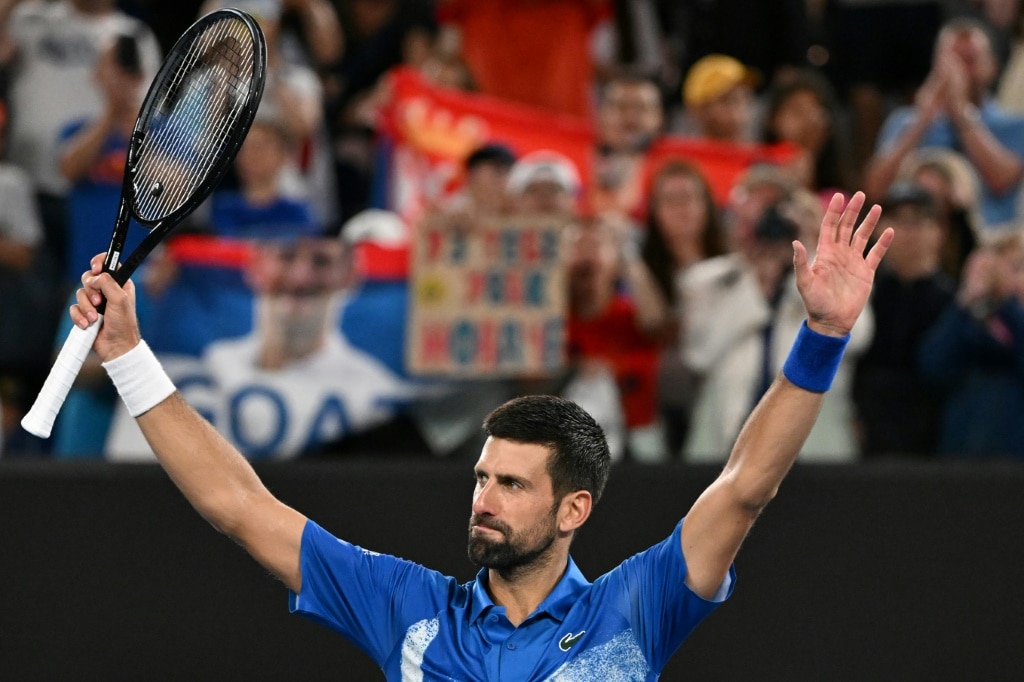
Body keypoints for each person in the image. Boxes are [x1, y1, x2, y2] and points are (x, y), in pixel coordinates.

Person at [67, 190, 892, 677]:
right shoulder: (410, 609)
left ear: (574, 509)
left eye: (512, 484)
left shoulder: (635, 609)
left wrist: (820, 337)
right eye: (482, 479)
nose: (484, 499)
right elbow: (239, 507)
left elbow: (745, 485)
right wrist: (132, 355)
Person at [865, 16, 1024, 230]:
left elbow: (1002, 180)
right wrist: (922, 119)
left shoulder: (1013, 123)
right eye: (951, 61)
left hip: (989, 239)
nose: (958, 73)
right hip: (915, 235)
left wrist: (961, 113)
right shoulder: (904, 121)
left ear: (992, 67)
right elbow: (875, 187)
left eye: (968, 61)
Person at [852, 181, 956, 458]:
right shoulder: (863, 292)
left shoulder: (953, 301)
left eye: (918, 221)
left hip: (930, 442)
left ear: (939, 232)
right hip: (866, 436)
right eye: (897, 220)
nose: (907, 232)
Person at [919, 228, 1024, 459]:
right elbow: (933, 365)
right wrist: (964, 300)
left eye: (1016, 267)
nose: (1004, 277)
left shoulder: (1015, 318)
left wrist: (1009, 304)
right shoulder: (968, 320)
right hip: (963, 457)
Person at [679, 54, 758, 145]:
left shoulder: (763, 156)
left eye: (745, 97)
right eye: (728, 100)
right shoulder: (681, 156)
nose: (741, 108)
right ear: (698, 109)